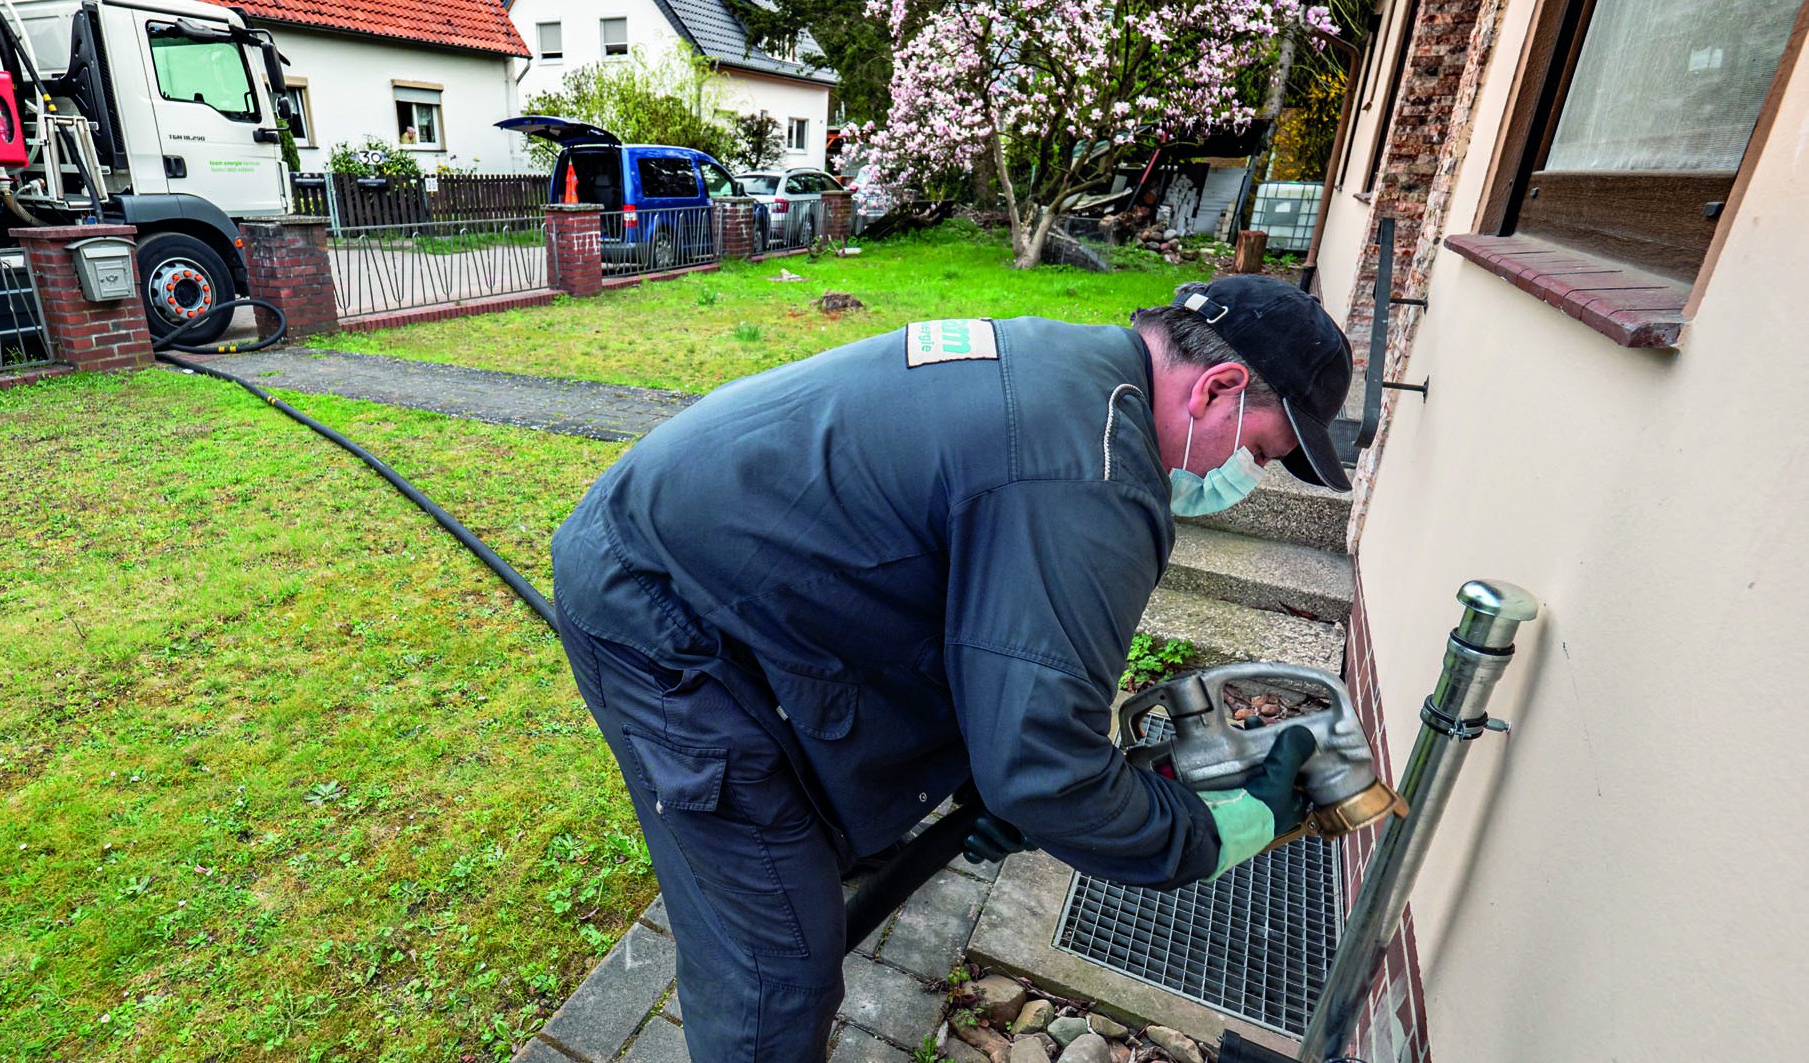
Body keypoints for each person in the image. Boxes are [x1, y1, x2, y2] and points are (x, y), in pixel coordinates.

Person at [550, 274, 1353, 1059]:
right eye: (1256, 450)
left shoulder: (1074, 366)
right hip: (657, 612)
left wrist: (991, 776)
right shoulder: (1090, 473)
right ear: (1217, 387)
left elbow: (998, 644)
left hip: (712, 558)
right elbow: (1046, 770)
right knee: (776, 968)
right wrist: (1226, 827)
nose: (1241, 479)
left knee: (830, 834)